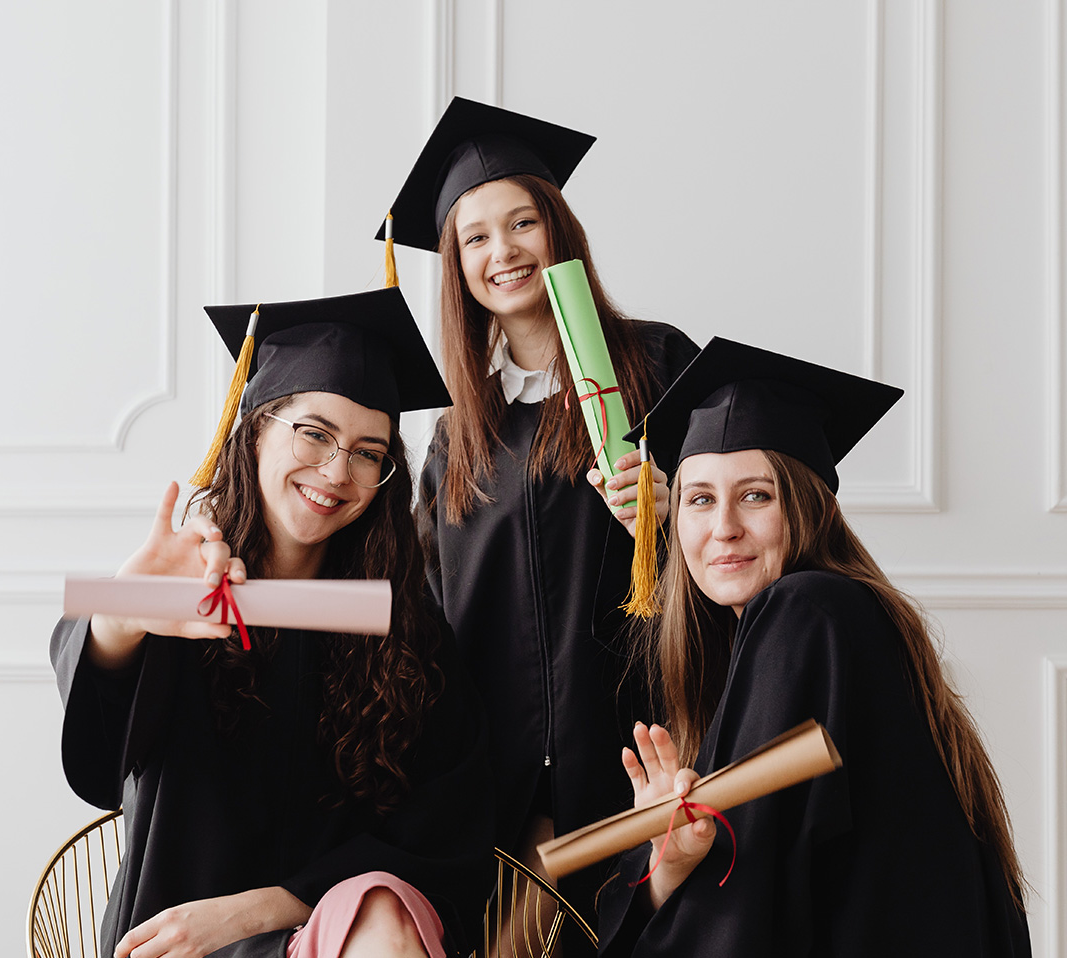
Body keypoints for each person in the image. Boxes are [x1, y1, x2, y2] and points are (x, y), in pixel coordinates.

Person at [50, 288, 495, 958]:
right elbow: (96, 761)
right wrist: (124, 615)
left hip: (339, 937)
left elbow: (446, 839)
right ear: (256, 426)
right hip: (179, 944)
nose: (337, 471)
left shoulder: (406, 634)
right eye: (314, 434)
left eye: (368, 452)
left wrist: (258, 910)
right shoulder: (187, 590)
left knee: (377, 907)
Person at [598, 337, 1032, 957]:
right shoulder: (846, 617)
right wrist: (671, 863)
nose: (723, 527)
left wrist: (671, 877)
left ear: (808, 505)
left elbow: (744, 899)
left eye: (756, 495)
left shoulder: (806, 612)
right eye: (699, 499)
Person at [378, 97, 699, 913]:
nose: (503, 251)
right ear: (455, 266)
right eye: (475, 237)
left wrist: (677, 511)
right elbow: (434, 609)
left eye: (522, 222)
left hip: (649, 753)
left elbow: (747, 540)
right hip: (505, 787)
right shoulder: (459, 435)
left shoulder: (658, 367)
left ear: (560, 230)